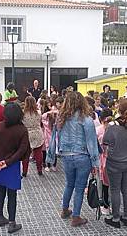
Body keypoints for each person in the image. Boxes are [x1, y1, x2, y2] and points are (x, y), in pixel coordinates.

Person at [47, 92, 99, 227]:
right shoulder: (86, 120)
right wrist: (95, 162)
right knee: (80, 187)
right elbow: (91, 142)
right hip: (83, 157)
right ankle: (76, 217)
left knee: (69, 184)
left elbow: (53, 139)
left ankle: (65, 210)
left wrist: (50, 156)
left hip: (66, 156)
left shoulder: (61, 119)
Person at [0, 103, 31, 234]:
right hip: (12, 166)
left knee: (0, 192)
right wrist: (9, 162)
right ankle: (12, 223)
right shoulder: (22, 129)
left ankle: (0, 217)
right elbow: (23, 149)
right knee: (12, 195)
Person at [103, 98, 127, 228]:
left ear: (119, 109)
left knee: (115, 190)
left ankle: (116, 218)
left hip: (115, 163)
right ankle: (126, 216)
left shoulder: (113, 125)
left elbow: (105, 141)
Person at [22, 96, 44, 177]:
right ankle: (39, 170)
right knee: (38, 153)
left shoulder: (23, 113)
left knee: (26, 155)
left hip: (27, 134)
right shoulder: (38, 112)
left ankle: (24, 171)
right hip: (38, 133)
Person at [96, 108, 113, 216]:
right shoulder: (116, 129)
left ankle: (102, 202)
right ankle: (108, 204)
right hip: (112, 159)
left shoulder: (98, 130)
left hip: (100, 158)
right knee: (109, 184)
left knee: (101, 182)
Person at [41, 98, 58, 172]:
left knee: (54, 150)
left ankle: (54, 165)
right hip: (47, 135)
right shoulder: (46, 115)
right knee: (48, 150)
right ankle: (47, 164)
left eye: (51, 105)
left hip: (54, 135)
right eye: (48, 105)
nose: (50, 107)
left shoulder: (55, 116)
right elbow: (43, 118)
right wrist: (49, 113)